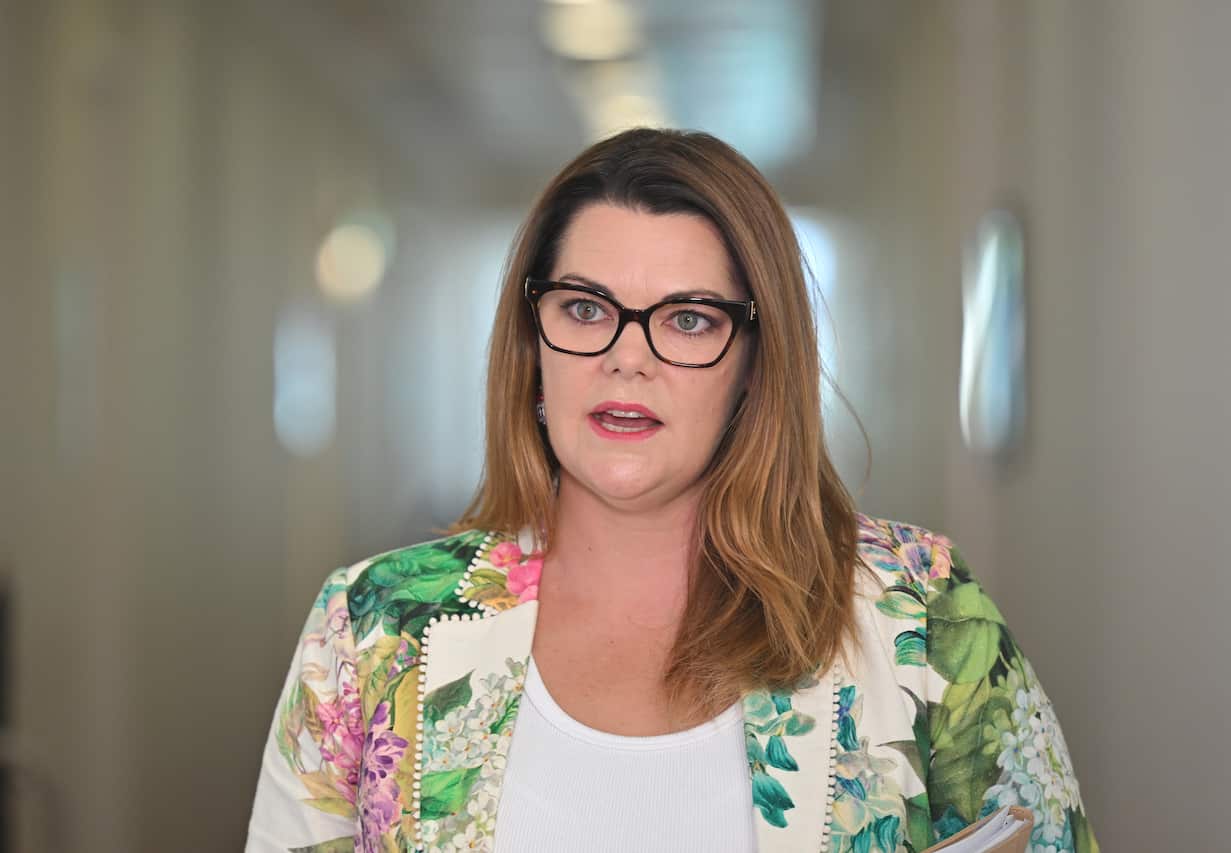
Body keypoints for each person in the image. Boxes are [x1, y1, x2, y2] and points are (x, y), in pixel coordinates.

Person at [246, 128, 1099, 853]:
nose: (629, 356)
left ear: (755, 367)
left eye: (689, 319)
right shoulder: (370, 630)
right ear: (531, 343)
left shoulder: (922, 614)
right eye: (585, 309)